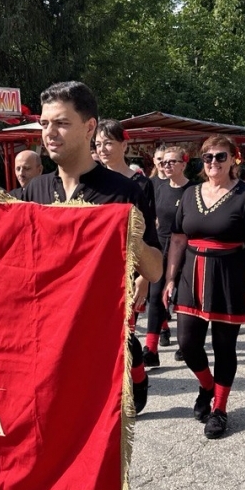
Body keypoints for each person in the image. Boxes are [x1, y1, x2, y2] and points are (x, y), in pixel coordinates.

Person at [20, 82, 162, 490]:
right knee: (52, 429)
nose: (49, 133)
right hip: (42, 340)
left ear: (89, 126)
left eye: (60, 122)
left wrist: (129, 231)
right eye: (44, 124)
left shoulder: (125, 190)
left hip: (101, 342)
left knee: (96, 433)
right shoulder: (33, 190)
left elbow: (157, 268)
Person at [164, 136, 245, 440]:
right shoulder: (191, 193)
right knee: (187, 344)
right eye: (207, 158)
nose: (213, 164)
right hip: (191, 274)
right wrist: (170, 278)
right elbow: (179, 239)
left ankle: (219, 409)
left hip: (229, 274)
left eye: (220, 157)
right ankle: (206, 385)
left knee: (224, 347)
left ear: (234, 159)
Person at [96, 119, 157, 371]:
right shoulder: (90, 181)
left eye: (108, 143)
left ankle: (137, 382)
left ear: (124, 144)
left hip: (128, 266)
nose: (102, 149)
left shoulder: (141, 184)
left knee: (124, 333)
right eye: (98, 144)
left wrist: (144, 275)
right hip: (96, 266)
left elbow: (149, 233)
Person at [145, 146, 191, 366]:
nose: (167, 165)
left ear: (184, 163)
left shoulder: (193, 190)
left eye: (172, 162)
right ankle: (151, 349)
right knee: (155, 297)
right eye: (164, 162)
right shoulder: (160, 188)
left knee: (182, 300)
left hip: (186, 250)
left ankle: (186, 345)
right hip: (161, 246)